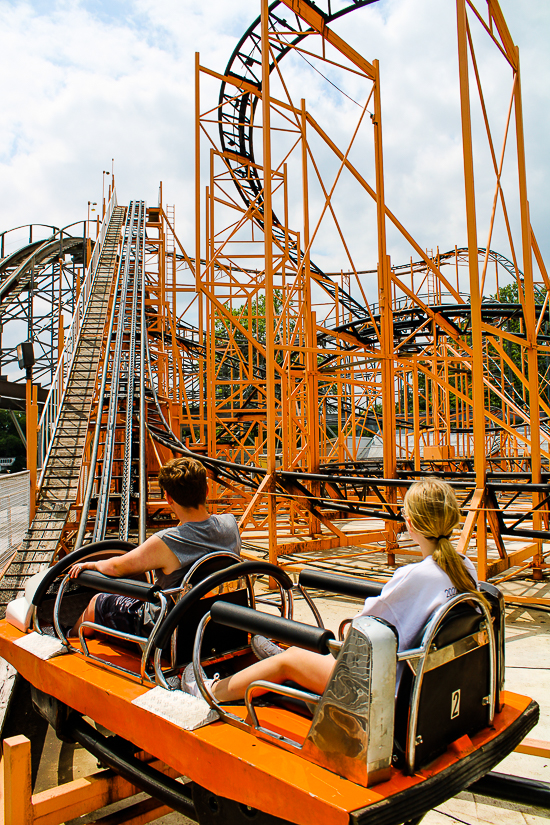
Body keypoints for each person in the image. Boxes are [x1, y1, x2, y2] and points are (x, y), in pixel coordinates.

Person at [183, 477, 485, 701]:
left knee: (291, 660)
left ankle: (212, 691)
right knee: (307, 648)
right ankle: (274, 655)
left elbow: (359, 632)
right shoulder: (464, 567)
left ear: (409, 522)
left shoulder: (413, 577)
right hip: (417, 676)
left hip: (378, 686)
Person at [69, 456, 241, 638]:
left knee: (98, 602)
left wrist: (92, 565)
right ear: (206, 491)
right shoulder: (230, 524)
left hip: (169, 630)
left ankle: (67, 640)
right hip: (220, 622)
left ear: (168, 497)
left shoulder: (167, 541)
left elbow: (117, 567)